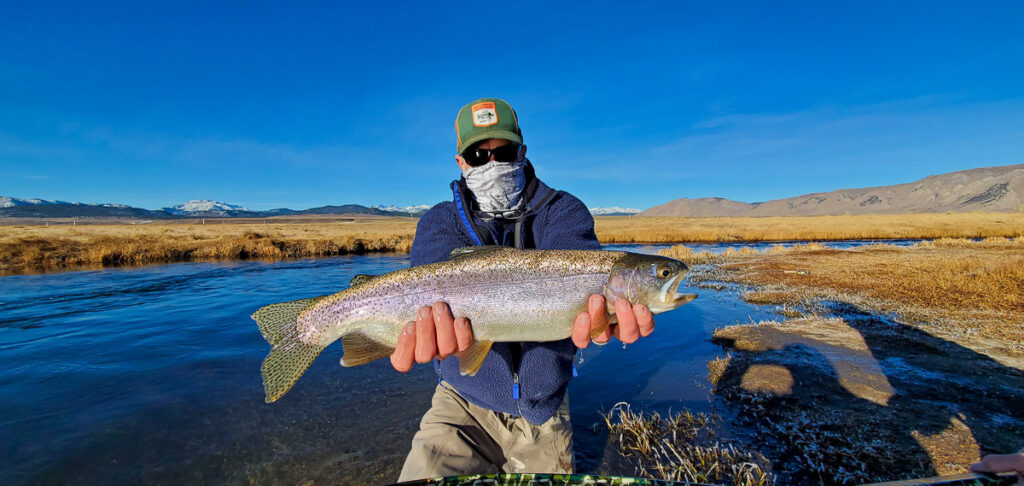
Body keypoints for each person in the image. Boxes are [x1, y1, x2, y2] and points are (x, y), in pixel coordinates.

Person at [392, 98, 656, 480]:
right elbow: (421, 291)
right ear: (461, 162)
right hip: (459, 404)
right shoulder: (439, 222)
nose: (492, 163)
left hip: (543, 412)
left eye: (504, 152)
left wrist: (605, 319)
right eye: (478, 155)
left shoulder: (564, 211)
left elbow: (579, 269)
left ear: (523, 152)